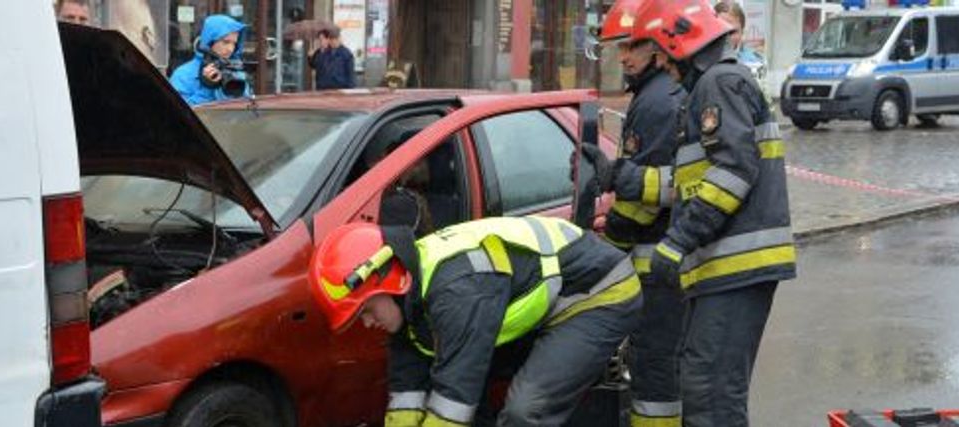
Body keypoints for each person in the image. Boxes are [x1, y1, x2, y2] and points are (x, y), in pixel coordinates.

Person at [631, 1, 797, 426]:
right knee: (704, 384)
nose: (663, 66)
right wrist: (625, 178)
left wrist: (678, 241)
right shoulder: (714, 85)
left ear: (684, 46)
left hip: (735, 267)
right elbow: (696, 181)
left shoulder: (719, 83)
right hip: (724, 269)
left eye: (665, 55)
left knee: (711, 392)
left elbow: (732, 172)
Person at [309, 216, 642, 426]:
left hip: (597, 293)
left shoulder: (457, 293)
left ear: (388, 282)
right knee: (472, 393)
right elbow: (406, 393)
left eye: (365, 311)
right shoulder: (410, 293)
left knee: (525, 411)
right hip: (546, 295)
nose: (367, 324)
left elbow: (452, 405)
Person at [599, 1, 687, 425]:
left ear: (659, 48)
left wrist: (606, 250)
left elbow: (640, 199)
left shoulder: (655, 103)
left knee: (655, 374)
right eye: (621, 46)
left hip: (658, 269)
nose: (623, 56)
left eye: (633, 45)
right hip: (673, 266)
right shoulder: (662, 94)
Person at [169, 15, 252, 106]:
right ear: (209, 42)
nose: (230, 49)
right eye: (225, 42)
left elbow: (247, 110)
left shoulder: (236, 73)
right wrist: (207, 88)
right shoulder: (183, 75)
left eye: (234, 44)